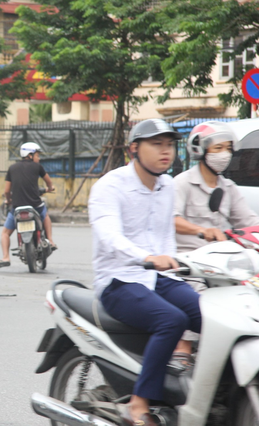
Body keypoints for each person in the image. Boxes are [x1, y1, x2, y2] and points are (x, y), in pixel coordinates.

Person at [89, 119, 201, 426]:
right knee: (171, 320)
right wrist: (149, 257)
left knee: (208, 312)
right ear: (134, 149)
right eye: (157, 145)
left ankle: (203, 391)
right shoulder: (109, 187)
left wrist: (176, 265)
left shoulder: (166, 185)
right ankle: (138, 403)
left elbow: (165, 237)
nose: (166, 152)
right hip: (118, 279)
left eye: (170, 145)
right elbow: (111, 240)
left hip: (158, 277)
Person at [172, 121, 259, 361]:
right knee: (199, 301)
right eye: (217, 148)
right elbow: (172, 219)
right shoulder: (182, 183)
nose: (225, 154)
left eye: (228, 148)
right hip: (189, 268)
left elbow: (248, 220)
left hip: (223, 267)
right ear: (200, 150)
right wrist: (202, 231)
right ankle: (183, 349)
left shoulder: (228, 187)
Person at [0, 142, 55, 270]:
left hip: (17, 207)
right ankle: (51, 241)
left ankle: (6, 257)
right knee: (46, 216)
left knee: (5, 233)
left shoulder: (12, 168)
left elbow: (7, 191)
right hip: (35, 206)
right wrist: (50, 188)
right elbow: (48, 181)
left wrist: (9, 200)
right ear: (30, 155)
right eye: (37, 155)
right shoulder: (38, 167)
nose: (39, 158)